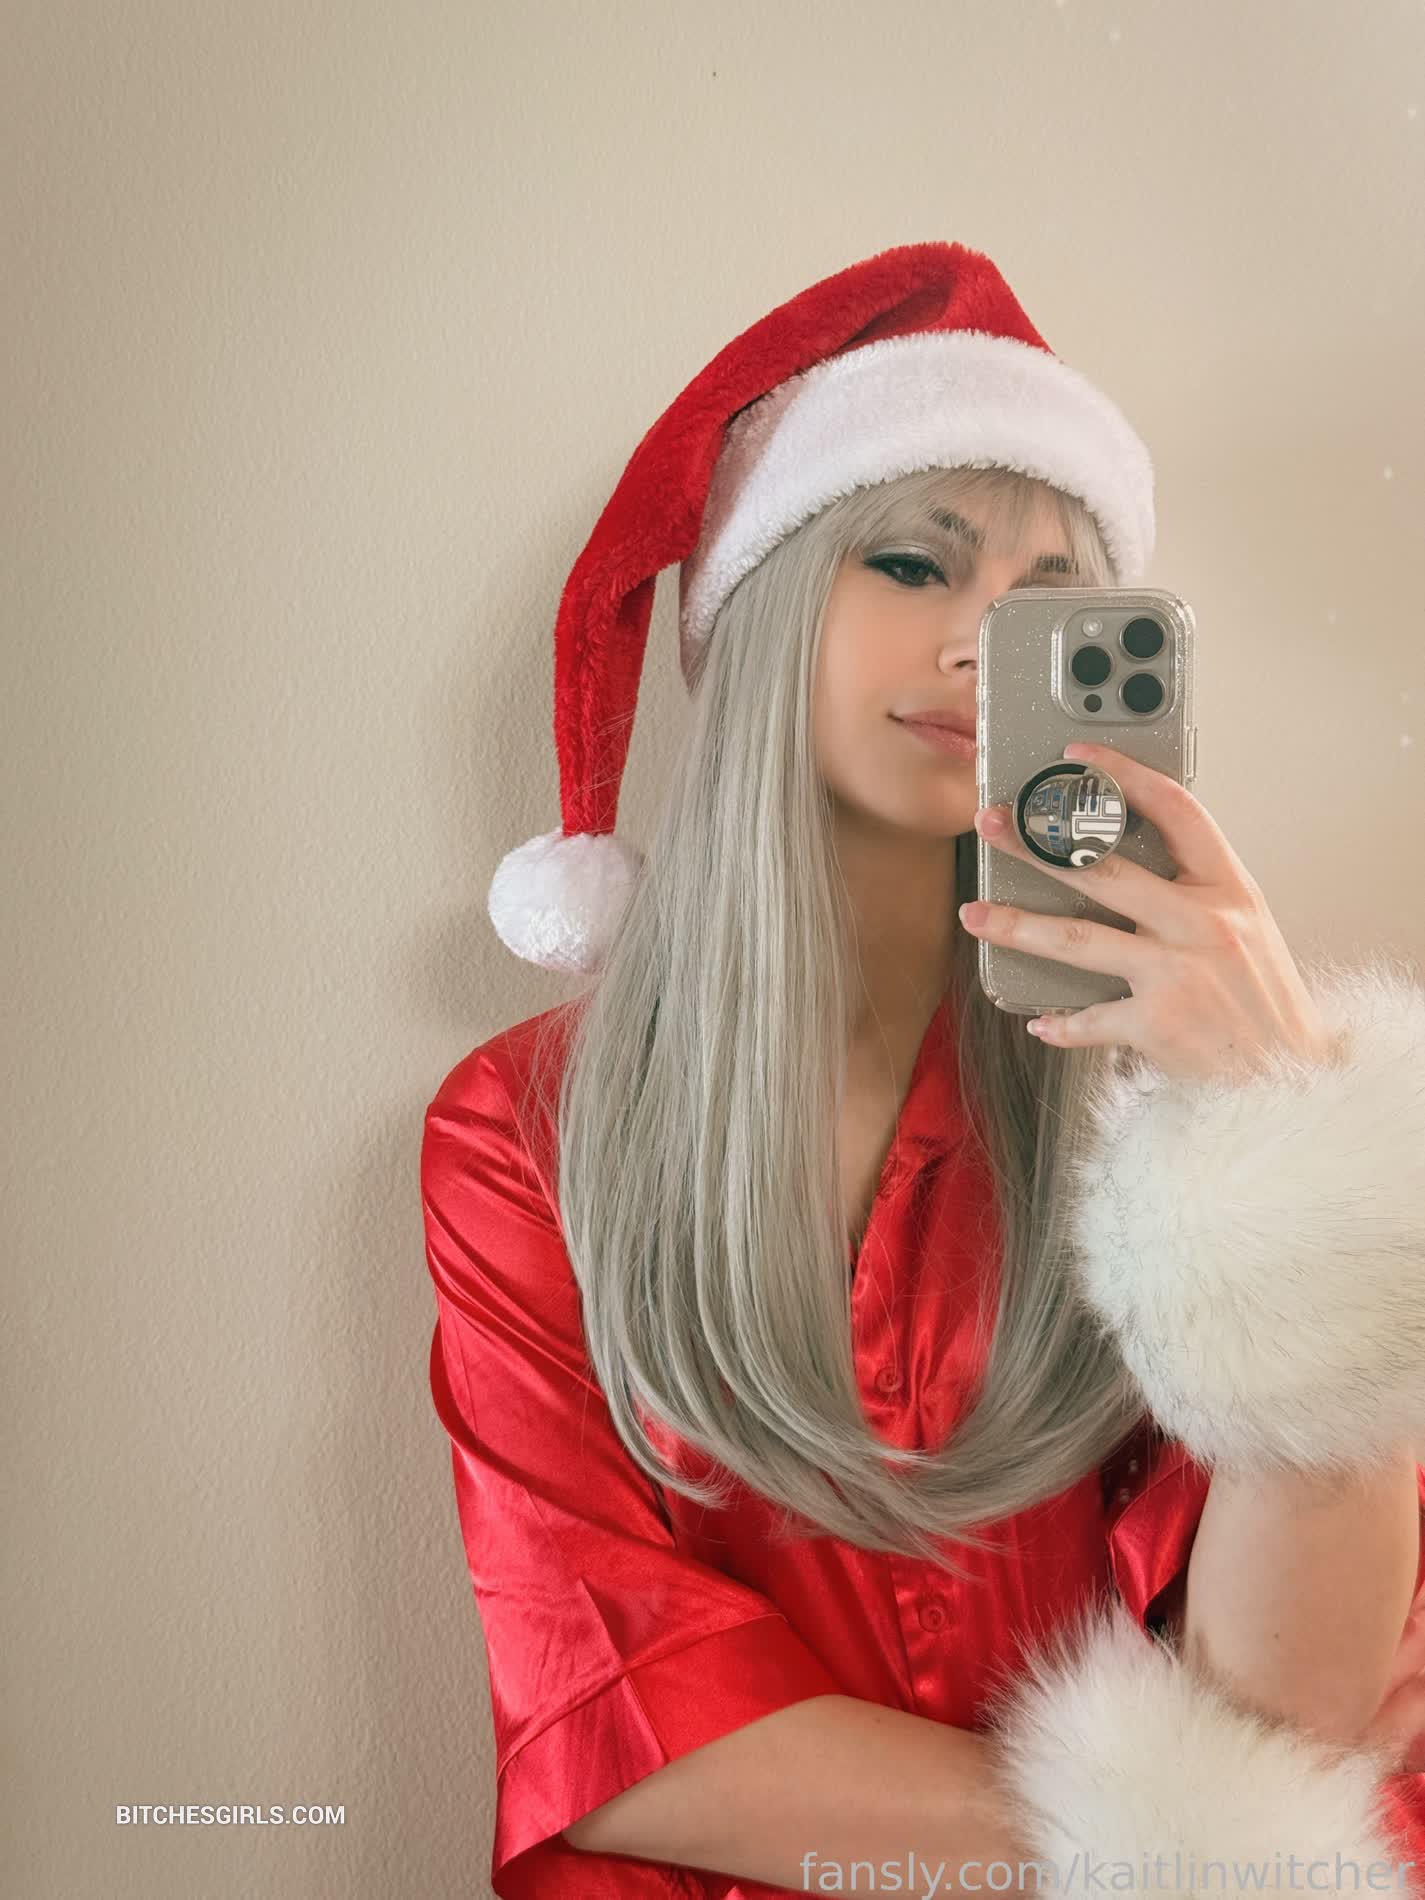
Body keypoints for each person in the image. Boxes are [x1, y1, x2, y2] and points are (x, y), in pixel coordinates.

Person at [420, 241, 1425, 1897]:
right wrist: (1186, 1831)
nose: (981, 646)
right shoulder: (528, 1135)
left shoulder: (1171, 1102)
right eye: (910, 562)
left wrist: (1274, 1134)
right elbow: (629, 1736)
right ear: (756, 613)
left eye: (1051, 609)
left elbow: (1296, 1708)